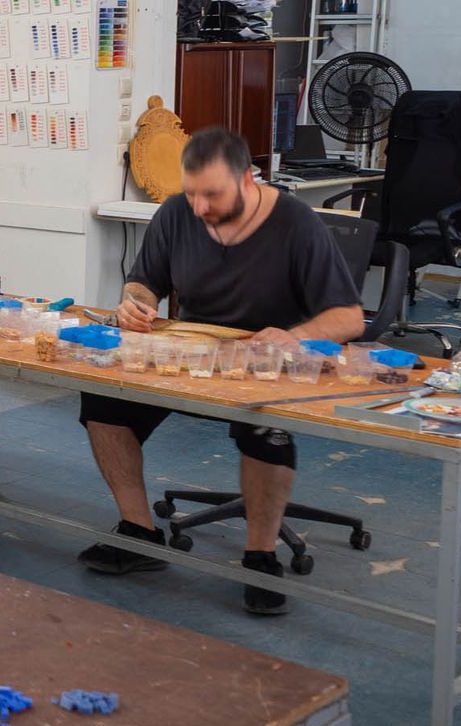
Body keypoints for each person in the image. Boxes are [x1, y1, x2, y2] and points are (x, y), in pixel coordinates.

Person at [77, 127, 363, 615]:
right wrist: (135, 305)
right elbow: (144, 282)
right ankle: (139, 533)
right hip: (191, 355)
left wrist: (292, 336)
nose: (200, 207)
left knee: (265, 427)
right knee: (102, 400)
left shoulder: (295, 224)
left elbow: (349, 317)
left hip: (267, 364)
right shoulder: (175, 214)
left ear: (248, 180)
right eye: (192, 194)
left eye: (212, 195)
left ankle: (260, 556)